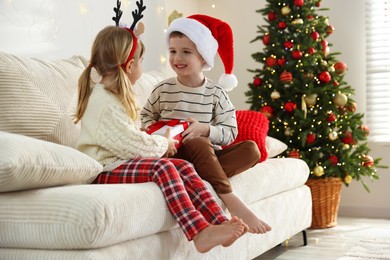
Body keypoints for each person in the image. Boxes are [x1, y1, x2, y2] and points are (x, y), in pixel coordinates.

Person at [73, 25, 248, 253]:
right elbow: (133, 145)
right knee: (163, 168)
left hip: (120, 162)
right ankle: (199, 232)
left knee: (183, 167)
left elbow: (131, 136)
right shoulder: (105, 103)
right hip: (105, 168)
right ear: (131, 65)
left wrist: (162, 139)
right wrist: (164, 142)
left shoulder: (113, 97)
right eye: (142, 61)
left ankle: (218, 222)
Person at [141, 15, 272, 234]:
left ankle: (199, 176)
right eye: (173, 51)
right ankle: (230, 198)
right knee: (198, 144)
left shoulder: (216, 93)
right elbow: (145, 118)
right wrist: (161, 137)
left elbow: (230, 132)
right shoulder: (162, 89)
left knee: (252, 149)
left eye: (186, 52)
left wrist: (205, 129)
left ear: (203, 57)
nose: (177, 57)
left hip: (208, 156)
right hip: (176, 154)